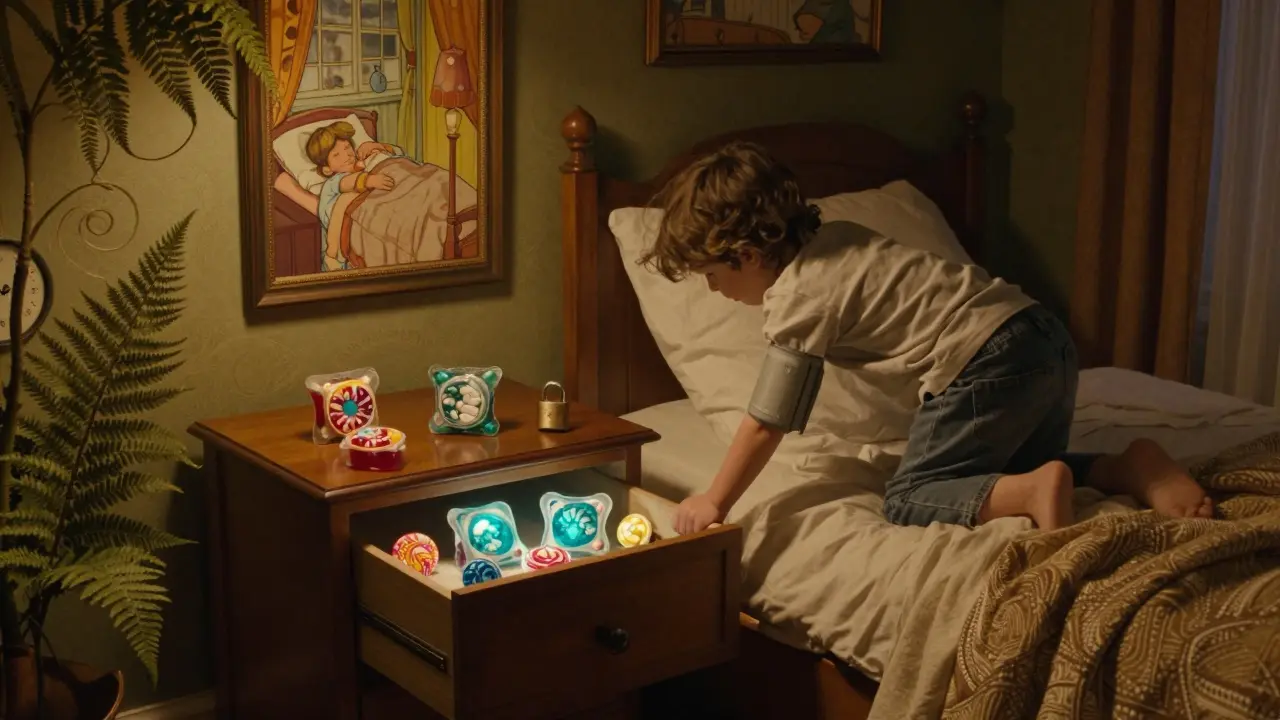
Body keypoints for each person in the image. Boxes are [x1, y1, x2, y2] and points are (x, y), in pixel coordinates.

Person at [639, 141, 1214, 535]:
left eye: (713, 277)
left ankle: (1038, 491)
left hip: (984, 361)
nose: (714, 292)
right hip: (1042, 337)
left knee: (910, 496)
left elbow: (769, 418)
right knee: (1000, 473)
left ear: (747, 254)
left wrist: (714, 500)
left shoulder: (799, 296)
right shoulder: (840, 236)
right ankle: (1130, 468)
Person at [304, 121, 400, 270]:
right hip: (338, 258)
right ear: (327, 169)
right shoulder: (332, 183)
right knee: (346, 199)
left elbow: (401, 156)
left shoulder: (361, 166)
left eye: (347, 147)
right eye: (336, 154)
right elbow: (347, 183)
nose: (347, 154)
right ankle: (331, 254)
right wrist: (368, 180)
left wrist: (379, 148)